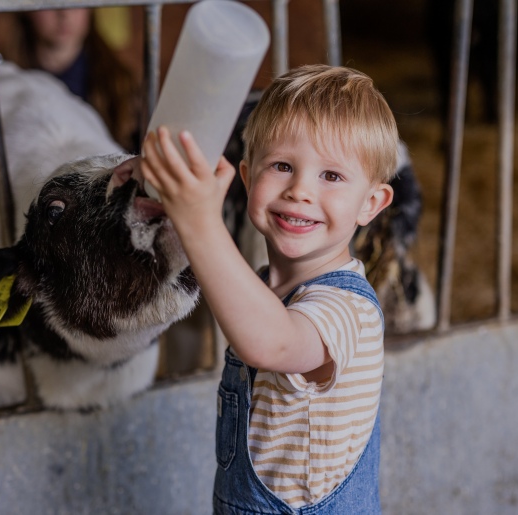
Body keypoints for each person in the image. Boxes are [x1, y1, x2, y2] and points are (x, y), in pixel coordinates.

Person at [140, 64, 397, 513]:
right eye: (281, 166)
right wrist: (168, 198)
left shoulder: (346, 309)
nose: (299, 190)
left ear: (370, 203)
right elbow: (220, 274)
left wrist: (200, 218)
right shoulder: (260, 286)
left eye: (331, 176)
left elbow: (272, 342)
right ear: (246, 176)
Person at [5, 8, 141, 151]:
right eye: (50, 0)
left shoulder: (120, 84)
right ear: (25, 7)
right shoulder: (6, 86)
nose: (64, 13)